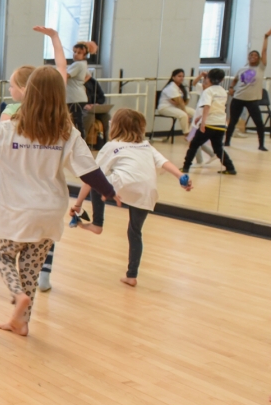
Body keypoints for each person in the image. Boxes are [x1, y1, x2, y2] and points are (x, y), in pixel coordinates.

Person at [0, 66, 117, 336]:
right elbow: (89, 170)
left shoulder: (9, 130)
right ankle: (22, 323)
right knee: (31, 268)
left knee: (4, 257)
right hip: (50, 210)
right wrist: (109, 191)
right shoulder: (66, 132)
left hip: (18, 209)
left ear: (30, 93)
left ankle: (16, 296)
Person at [0, 26, 68, 292]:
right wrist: (55, 38)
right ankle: (43, 275)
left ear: (23, 88)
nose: (9, 89)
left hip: (6, 174)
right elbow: (61, 71)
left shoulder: (10, 112)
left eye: (12, 85)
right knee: (46, 228)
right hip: (40, 173)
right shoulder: (50, 108)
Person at [71, 109, 192, 287]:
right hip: (147, 191)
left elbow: (91, 176)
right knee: (134, 232)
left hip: (122, 185)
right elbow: (164, 163)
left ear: (116, 126)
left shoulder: (112, 146)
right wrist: (181, 177)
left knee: (99, 184)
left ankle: (97, 223)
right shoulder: (146, 145)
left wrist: (78, 204)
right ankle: (131, 276)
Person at [226, 27, 271, 150]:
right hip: (238, 98)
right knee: (233, 121)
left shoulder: (260, 68)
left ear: (259, 59)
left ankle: (261, 145)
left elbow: (264, 51)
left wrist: (266, 37)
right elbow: (235, 80)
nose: (253, 56)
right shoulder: (241, 69)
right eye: (251, 55)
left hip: (252, 100)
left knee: (259, 122)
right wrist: (231, 88)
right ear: (248, 58)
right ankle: (227, 141)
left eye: (255, 55)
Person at [181, 69, 236, 175]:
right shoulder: (222, 91)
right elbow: (216, 108)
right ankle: (230, 168)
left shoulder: (208, 91)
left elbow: (207, 106)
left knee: (194, 145)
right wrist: (201, 117)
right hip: (220, 123)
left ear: (208, 78)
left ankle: (186, 167)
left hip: (210, 123)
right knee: (218, 148)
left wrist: (203, 123)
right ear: (222, 79)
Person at [157, 70, 214, 165]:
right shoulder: (171, 87)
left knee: (194, 113)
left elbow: (184, 101)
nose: (181, 78)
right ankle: (187, 133)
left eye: (182, 76)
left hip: (177, 107)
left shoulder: (182, 87)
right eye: (179, 76)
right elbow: (180, 101)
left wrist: (181, 104)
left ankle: (194, 133)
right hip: (165, 107)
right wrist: (183, 110)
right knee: (183, 115)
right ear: (173, 77)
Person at [66, 41, 96, 137]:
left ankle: (79, 142)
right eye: (74, 52)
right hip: (77, 97)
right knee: (77, 121)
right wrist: (80, 82)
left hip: (74, 98)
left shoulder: (77, 65)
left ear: (85, 55)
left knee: (75, 122)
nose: (75, 54)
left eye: (79, 53)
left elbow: (65, 75)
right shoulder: (83, 64)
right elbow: (88, 75)